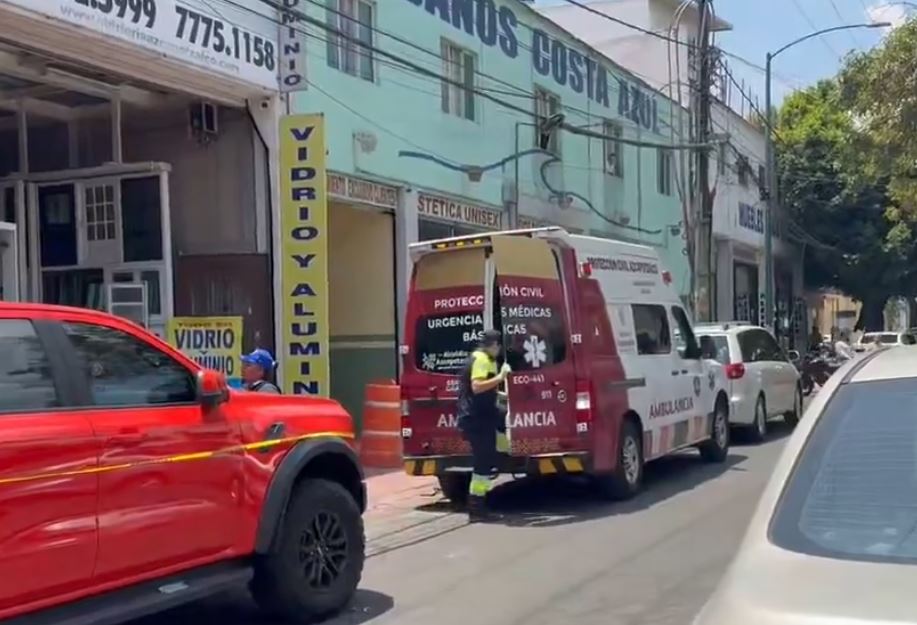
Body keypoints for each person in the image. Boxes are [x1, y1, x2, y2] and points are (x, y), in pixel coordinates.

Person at [457, 329, 510, 522]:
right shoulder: (481, 359)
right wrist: (501, 378)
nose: (499, 350)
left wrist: (502, 395)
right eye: (498, 346)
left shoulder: (484, 358)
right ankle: (477, 509)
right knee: (483, 463)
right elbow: (477, 386)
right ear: (494, 345)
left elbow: (486, 391)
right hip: (476, 419)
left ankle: (479, 505)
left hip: (482, 416)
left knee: (487, 459)